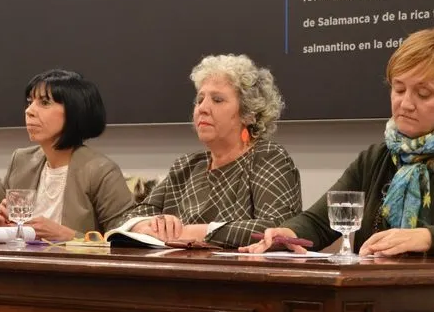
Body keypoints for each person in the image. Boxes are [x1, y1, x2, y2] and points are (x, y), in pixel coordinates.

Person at [241, 26, 434, 260]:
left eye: (423, 93)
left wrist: (429, 237)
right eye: (399, 89)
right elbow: (320, 222)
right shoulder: (376, 158)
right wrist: (289, 233)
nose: (405, 103)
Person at [115, 54, 302, 248]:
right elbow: (128, 218)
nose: (202, 109)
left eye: (217, 100)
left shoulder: (268, 156)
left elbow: (279, 228)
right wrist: (145, 225)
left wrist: (191, 232)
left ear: (249, 114)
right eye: (199, 100)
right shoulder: (187, 166)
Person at [0, 69, 133, 241]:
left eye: (44, 103)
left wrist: (68, 236)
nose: (29, 111)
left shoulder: (100, 170)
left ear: (75, 112)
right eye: (30, 102)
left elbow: (125, 242)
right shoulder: (22, 162)